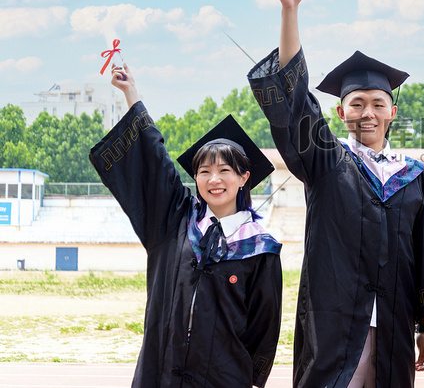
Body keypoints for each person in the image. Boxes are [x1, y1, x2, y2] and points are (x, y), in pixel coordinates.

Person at [247, 0, 424, 387]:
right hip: (334, 327)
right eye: (356, 104)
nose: (367, 113)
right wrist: (290, 11)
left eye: (377, 103)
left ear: (393, 112)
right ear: (341, 112)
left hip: (393, 324)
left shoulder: (410, 176)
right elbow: (296, 100)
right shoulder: (327, 161)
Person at [89, 63, 283, 388]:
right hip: (163, 371)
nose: (214, 179)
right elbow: (156, 161)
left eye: (225, 170)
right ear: (196, 178)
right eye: (204, 171)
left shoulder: (260, 248)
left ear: (243, 178)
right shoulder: (176, 222)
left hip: (223, 378)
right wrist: (131, 94)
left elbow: (264, 329)